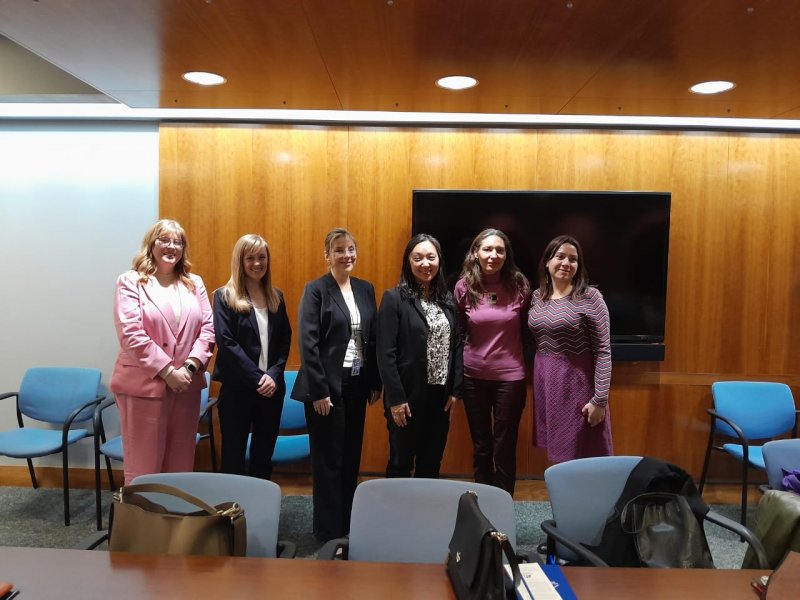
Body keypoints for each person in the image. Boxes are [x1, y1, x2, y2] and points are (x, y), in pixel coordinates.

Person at [291, 228, 382, 542]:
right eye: (339, 250)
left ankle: (348, 526)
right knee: (329, 461)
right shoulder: (316, 289)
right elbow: (308, 343)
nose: (346, 255)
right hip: (326, 388)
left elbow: (372, 339)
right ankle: (328, 532)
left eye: (351, 249)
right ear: (327, 256)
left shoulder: (365, 289)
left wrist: (374, 381)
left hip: (357, 384)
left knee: (351, 457)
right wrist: (320, 390)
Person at [110, 219, 215, 484]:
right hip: (144, 387)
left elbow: (208, 329)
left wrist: (189, 367)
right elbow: (131, 333)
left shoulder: (194, 283)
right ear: (151, 244)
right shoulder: (131, 282)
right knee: (144, 468)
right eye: (164, 240)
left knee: (180, 465)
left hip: (186, 386)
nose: (171, 246)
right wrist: (168, 371)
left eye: (178, 242)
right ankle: (143, 513)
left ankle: (175, 512)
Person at [377, 233, 463, 479]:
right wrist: (395, 398)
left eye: (431, 257)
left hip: (439, 397)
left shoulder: (447, 300)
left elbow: (457, 345)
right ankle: (397, 506)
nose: (426, 263)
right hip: (406, 397)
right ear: (408, 262)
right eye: (418, 258)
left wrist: (455, 391)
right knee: (401, 463)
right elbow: (385, 352)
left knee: (431, 462)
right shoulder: (394, 299)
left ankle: (426, 505)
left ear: (439, 260)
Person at [454, 228, 531, 494]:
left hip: (510, 378)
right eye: (487, 249)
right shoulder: (464, 287)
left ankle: (504, 503)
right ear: (476, 252)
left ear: (507, 255)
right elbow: (459, 330)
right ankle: (483, 503)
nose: (493, 255)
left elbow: (528, 328)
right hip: (473, 377)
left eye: (500, 250)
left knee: (505, 446)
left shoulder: (519, 285)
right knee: (482, 446)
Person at [212, 234, 292, 479]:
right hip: (238, 390)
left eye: (262, 257)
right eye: (250, 258)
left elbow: (285, 340)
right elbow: (226, 343)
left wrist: (273, 375)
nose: (257, 263)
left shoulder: (276, 297)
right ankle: (232, 505)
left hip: (272, 390)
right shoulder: (224, 296)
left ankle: (261, 503)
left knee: (263, 457)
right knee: (233, 458)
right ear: (240, 261)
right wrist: (258, 378)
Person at [528, 234, 612, 463]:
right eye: (560, 257)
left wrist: (599, 400)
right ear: (547, 261)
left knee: (583, 455)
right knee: (558, 452)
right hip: (546, 382)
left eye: (573, 259)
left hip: (577, 384)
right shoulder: (537, 296)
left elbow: (603, 351)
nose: (566, 263)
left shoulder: (590, 297)